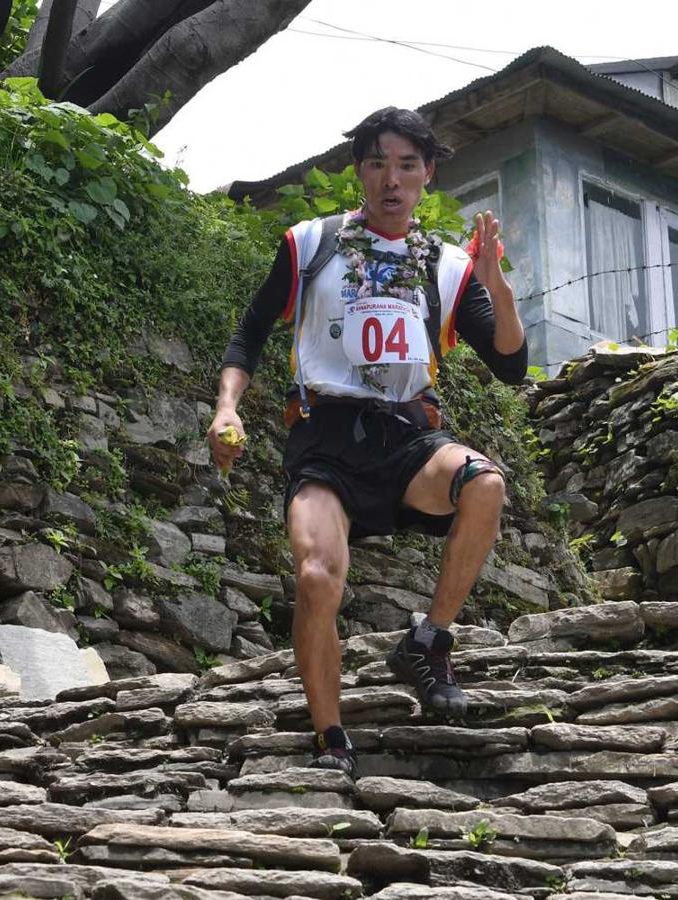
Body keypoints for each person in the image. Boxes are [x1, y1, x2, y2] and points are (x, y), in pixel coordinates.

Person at [208, 107, 527, 777]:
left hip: (409, 436)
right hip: (323, 441)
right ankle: (331, 739)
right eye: (378, 163)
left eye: (407, 165)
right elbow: (250, 332)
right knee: (318, 576)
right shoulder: (311, 243)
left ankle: (429, 642)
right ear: (359, 171)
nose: (392, 180)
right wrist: (227, 407)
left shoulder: (444, 266)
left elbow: (511, 365)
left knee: (486, 484)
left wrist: (496, 286)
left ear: (428, 174)